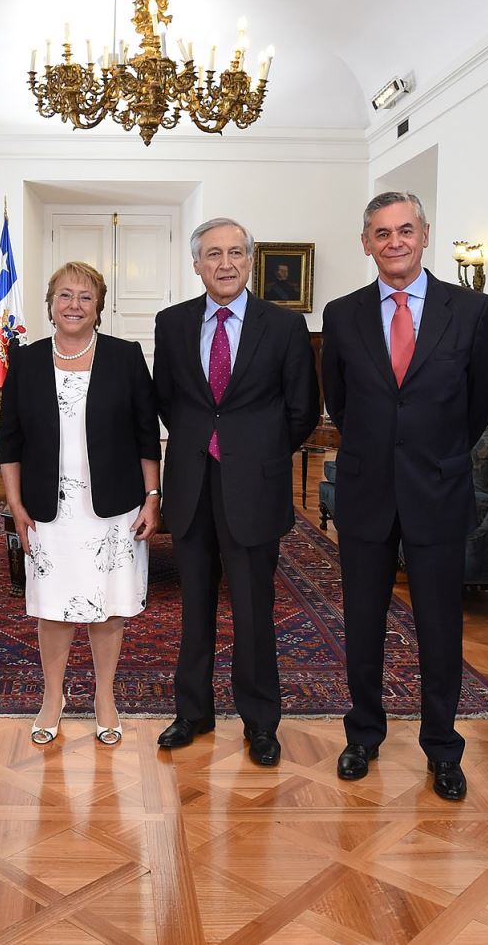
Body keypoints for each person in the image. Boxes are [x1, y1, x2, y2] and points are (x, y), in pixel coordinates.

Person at [321, 191, 488, 795]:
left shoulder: (471, 310)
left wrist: (438, 455)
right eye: (380, 232)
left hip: (439, 491)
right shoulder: (342, 315)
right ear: (365, 242)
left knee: (441, 627)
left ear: (424, 233)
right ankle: (362, 735)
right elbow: (339, 402)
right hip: (367, 491)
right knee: (362, 622)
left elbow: (479, 403)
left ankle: (443, 748)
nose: (393, 241)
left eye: (404, 230)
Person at [153, 217, 319, 767]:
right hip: (191, 486)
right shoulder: (172, 323)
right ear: (196, 264)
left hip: (255, 485)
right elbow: (167, 399)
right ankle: (193, 713)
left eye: (236, 253)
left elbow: (301, 411)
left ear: (250, 261)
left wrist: (255, 451)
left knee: (253, 613)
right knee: (194, 608)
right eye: (213, 254)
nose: (225, 263)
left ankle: (260, 722)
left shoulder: (285, 326)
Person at [0, 262, 160, 746]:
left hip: (114, 507)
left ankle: (104, 697)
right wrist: (15, 505)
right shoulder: (25, 361)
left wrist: (152, 498)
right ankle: (53, 697)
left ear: (99, 307)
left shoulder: (126, 357)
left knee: (108, 606)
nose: (74, 305)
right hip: (48, 507)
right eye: (64, 295)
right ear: (50, 304)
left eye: (85, 297)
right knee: (53, 608)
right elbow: (9, 442)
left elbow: (146, 434)